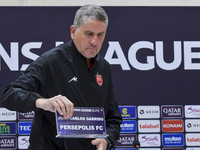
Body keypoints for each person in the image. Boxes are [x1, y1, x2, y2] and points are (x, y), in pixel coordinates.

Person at [1, 4, 122, 150]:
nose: (94, 41)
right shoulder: (51, 61)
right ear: (73, 31)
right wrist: (42, 102)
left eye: (100, 35)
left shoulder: (104, 67)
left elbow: (113, 118)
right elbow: (9, 94)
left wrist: (107, 139)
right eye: (89, 34)